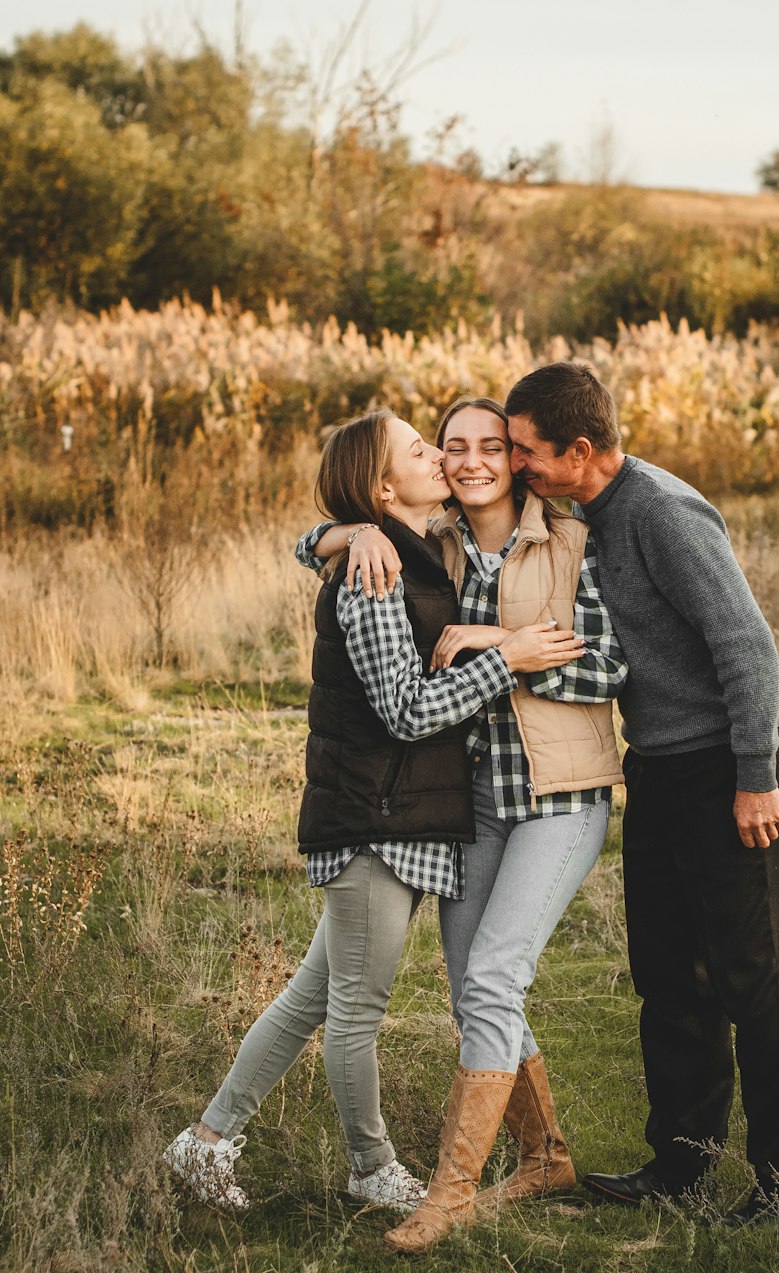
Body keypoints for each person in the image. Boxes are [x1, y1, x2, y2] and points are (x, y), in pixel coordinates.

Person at [162, 408, 585, 1214]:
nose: (441, 456)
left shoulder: (411, 548)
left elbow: (320, 533)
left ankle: (207, 1143)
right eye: (421, 450)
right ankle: (371, 1165)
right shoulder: (374, 574)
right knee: (357, 1011)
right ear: (384, 485)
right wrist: (511, 656)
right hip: (374, 821)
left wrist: (340, 530)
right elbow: (406, 709)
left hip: (394, 815)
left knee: (311, 998)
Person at [502, 361, 779, 1229]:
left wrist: (755, 778)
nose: (514, 465)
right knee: (667, 976)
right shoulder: (582, 514)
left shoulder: (660, 509)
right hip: (654, 767)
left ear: (580, 449)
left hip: (723, 772)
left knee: (753, 980)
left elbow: (748, 647)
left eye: (525, 450)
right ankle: (681, 1165)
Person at [297, 396, 627, 1253]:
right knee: (468, 984)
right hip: (472, 799)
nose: (471, 460)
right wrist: (343, 533)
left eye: (491, 446)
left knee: (490, 979)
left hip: (559, 792)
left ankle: (448, 1194)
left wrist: (497, 638)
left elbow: (609, 662)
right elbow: (310, 541)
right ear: (436, 460)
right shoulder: (429, 542)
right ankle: (545, 1154)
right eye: (453, 446)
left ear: (517, 459)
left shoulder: (572, 538)